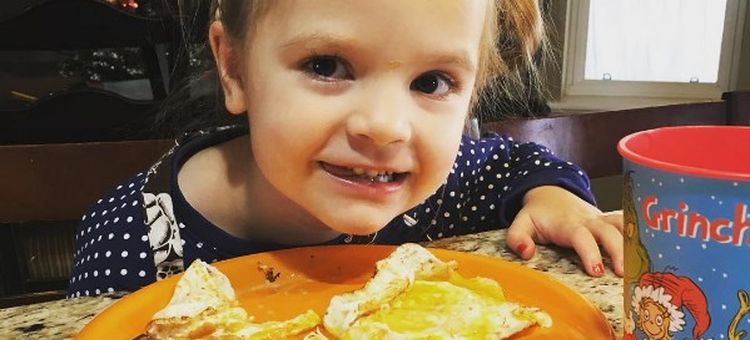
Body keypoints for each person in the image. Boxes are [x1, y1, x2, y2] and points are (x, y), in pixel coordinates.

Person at [67, 0, 624, 298]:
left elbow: (519, 162)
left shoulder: (439, 181)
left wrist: (556, 197)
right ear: (233, 67)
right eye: (326, 66)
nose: (385, 128)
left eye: (431, 82)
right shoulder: (129, 240)